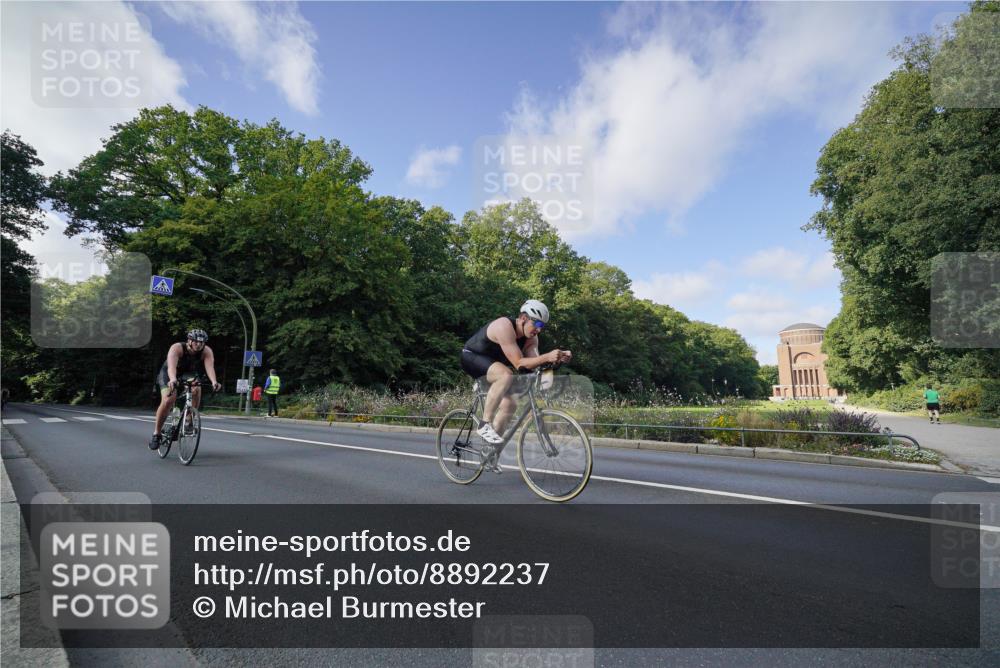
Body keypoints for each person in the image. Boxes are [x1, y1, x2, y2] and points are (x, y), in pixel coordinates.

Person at [460, 300, 571, 445]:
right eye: (537, 324)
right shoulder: (503, 326)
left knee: (510, 404)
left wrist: (557, 360)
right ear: (524, 318)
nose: (539, 330)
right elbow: (519, 363)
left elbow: (534, 365)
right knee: (506, 375)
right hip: (471, 357)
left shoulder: (531, 338)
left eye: (542, 326)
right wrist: (547, 356)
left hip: (494, 366)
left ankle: (490, 450)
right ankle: (484, 424)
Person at [149, 329, 222, 450]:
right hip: (169, 373)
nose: (199, 344)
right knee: (168, 400)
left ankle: (189, 419)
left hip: (187, 374)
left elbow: (210, 367)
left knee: (197, 388)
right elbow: (171, 367)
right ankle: (156, 433)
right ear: (189, 341)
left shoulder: (207, 351)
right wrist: (173, 379)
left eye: (202, 342)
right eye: (196, 342)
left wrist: (214, 381)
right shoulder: (177, 348)